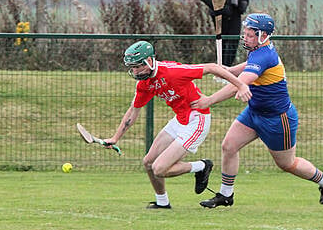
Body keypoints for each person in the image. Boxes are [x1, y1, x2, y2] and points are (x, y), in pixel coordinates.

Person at [191, 13, 323, 208]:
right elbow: (247, 67)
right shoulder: (258, 50)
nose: (245, 38)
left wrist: (208, 100)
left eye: (250, 35)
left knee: (287, 164)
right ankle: (226, 195)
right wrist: (228, 70)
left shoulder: (264, 55)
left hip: (278, 119)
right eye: (245, 34)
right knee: (229, 146)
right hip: (254, 113)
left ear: (263, 35)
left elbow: (239, 85)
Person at [103, 40, 252, 209]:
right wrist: (115, 138)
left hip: (197, 119)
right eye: (132, 68)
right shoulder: (144, 84)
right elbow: (133, 111)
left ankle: (202, 166)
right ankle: (162, 203)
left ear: (150, 61)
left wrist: (240, 85)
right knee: (149, 163)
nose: (135, 71)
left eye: (138, 66)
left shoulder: (173, 71)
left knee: (159, 168)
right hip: (179, 120)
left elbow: (212, 67)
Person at [199, 0, 250, 66]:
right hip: (220, 13)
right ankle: (220, 68)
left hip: (236, 12)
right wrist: (217, 6)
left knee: (233, 41)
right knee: (221, 41)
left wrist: (244, 3)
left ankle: (228, 69)